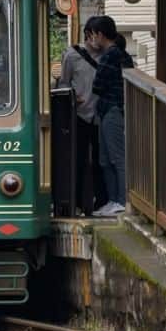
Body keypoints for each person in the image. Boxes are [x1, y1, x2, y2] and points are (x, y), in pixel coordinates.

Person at [57, 17, 108, 216]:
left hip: (101, 114)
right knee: (77, 159)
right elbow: (63, 83)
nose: (99, 39)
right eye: (97, 34)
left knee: (101, 160)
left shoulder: (108, 55)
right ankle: (77, 202)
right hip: (78, 115)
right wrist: (71, 95)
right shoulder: (72, 55)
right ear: (88, 34)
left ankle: (101, 201)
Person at [89, 15, 133, 217]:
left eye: (93, 36)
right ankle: (115, 200)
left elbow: (97, 86)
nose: (92, 40)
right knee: (108, 158)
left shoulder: (109, 55)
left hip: (111, 109)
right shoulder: (123, 55)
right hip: (116, 109)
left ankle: (121, 200)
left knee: (114, 157)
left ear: (99, 34)